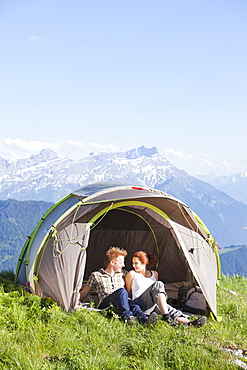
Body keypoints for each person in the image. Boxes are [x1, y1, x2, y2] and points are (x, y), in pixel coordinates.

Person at [125, 251, 207, 327]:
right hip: (140, 302)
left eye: (136, 263)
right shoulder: (132, 274)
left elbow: (157, 293)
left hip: (152, 303)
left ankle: (190, 324)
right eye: (133, 263)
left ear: (145, 263)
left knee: (171, 310)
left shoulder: (154, 274)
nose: (133, 266)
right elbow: (129, 292)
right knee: (159, 284)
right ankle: (166, 316)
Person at [79, 247, 158, 325]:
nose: (123, 265)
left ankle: (145, 320)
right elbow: (84, 292)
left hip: (121, 304)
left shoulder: (123, 274)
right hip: (106, 304)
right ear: (113, 262)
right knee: (122, 291)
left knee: (134, 305)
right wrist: (72, 303)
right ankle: (128, 317)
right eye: (121, 263)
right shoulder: (96, 275)